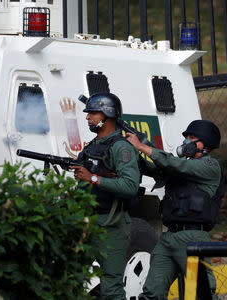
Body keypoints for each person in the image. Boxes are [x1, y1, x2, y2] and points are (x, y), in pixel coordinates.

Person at [125, 120, 224, 300]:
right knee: (151, 293)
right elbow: (154, 167)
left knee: (201, 294)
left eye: (192, 137)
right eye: (186, 137)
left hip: (193, 239)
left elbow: (175, 165)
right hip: (168, 238)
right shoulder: (178, 164)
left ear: (206, 143)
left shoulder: (210, 166)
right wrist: (132, 149)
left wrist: (142, 146)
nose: (187, 141)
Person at [70, 92, 140, 300]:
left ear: (107, 115)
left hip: (112, 223)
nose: (87, 117)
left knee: (111, 287)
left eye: (93, 112)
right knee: (73, 279)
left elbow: (129, 186)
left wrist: (92, 178)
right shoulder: (93, 145)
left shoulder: (121, 147)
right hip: (87, 220)